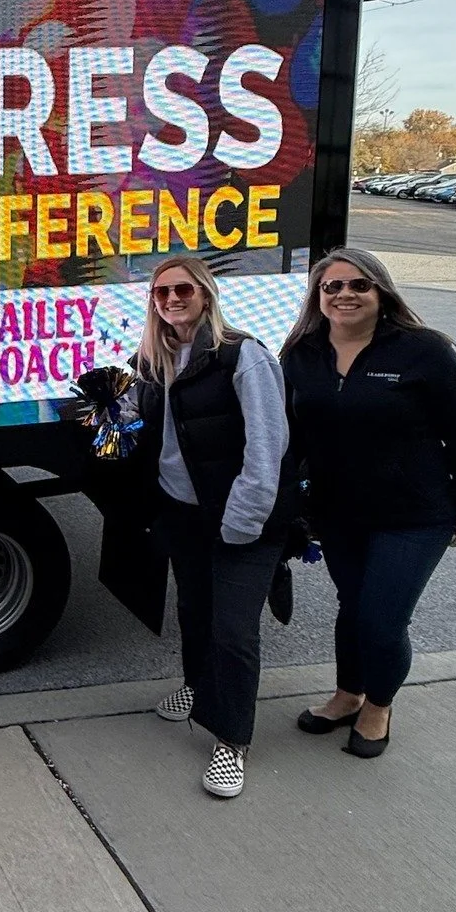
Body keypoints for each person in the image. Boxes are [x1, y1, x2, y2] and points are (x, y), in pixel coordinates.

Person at [281, 247, 456, 757]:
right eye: (332, 287)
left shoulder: (426, 351)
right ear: (318, 297)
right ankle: (347, 694)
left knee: (381, 618)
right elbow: (292, 438)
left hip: (414, 514)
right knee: (351, 608)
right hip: (338, 512)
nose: (345, 294)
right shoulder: (301, 353)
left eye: (359, 285)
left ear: (381, 292)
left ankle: (379, 704)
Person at [135, 255, 292, 799]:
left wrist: (242, 521)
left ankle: (231, 740)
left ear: (205, 294)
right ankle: (197, 688)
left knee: (233, 628)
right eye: (161, 293)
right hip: (185, 512)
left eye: (182, 290)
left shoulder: (242, 356)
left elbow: (267, 447)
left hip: (241, 517)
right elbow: (148, 425)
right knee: (193, 610)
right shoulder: (156, 358)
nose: (171, 300)